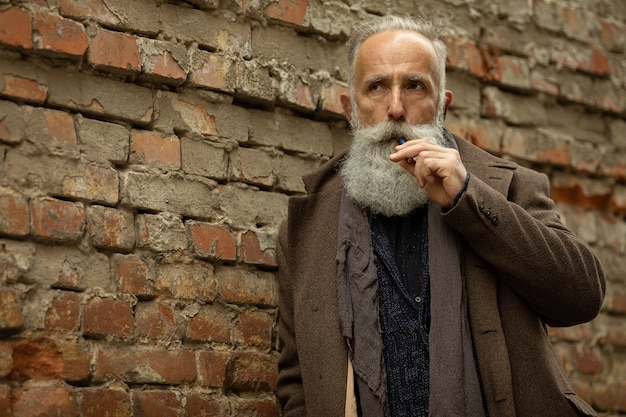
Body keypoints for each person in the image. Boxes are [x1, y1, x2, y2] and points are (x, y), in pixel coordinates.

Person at [276, 15, 605, 417]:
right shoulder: (306, 226)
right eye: (376, 87)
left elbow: (582, 298)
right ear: (350, 109)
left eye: (415, 86)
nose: (395, 108)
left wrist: (468, 196)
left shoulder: (509, 188)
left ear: (442, 105)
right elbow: (296, 379)